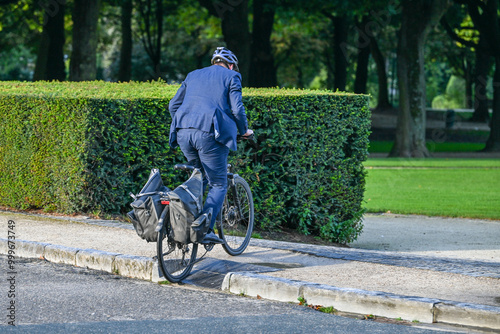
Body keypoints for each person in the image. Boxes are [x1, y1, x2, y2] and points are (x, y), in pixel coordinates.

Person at [168, 47, 253, 244]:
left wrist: (185, 123)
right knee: (219, 183)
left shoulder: (193, 75)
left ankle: (185, 221)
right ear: (231, 65)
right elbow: (237, 109)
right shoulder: (232, 76)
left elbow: (173, 105)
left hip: (183, 133)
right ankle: (204, 229)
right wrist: (244, 131)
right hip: (208, 136)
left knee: (199, 179)